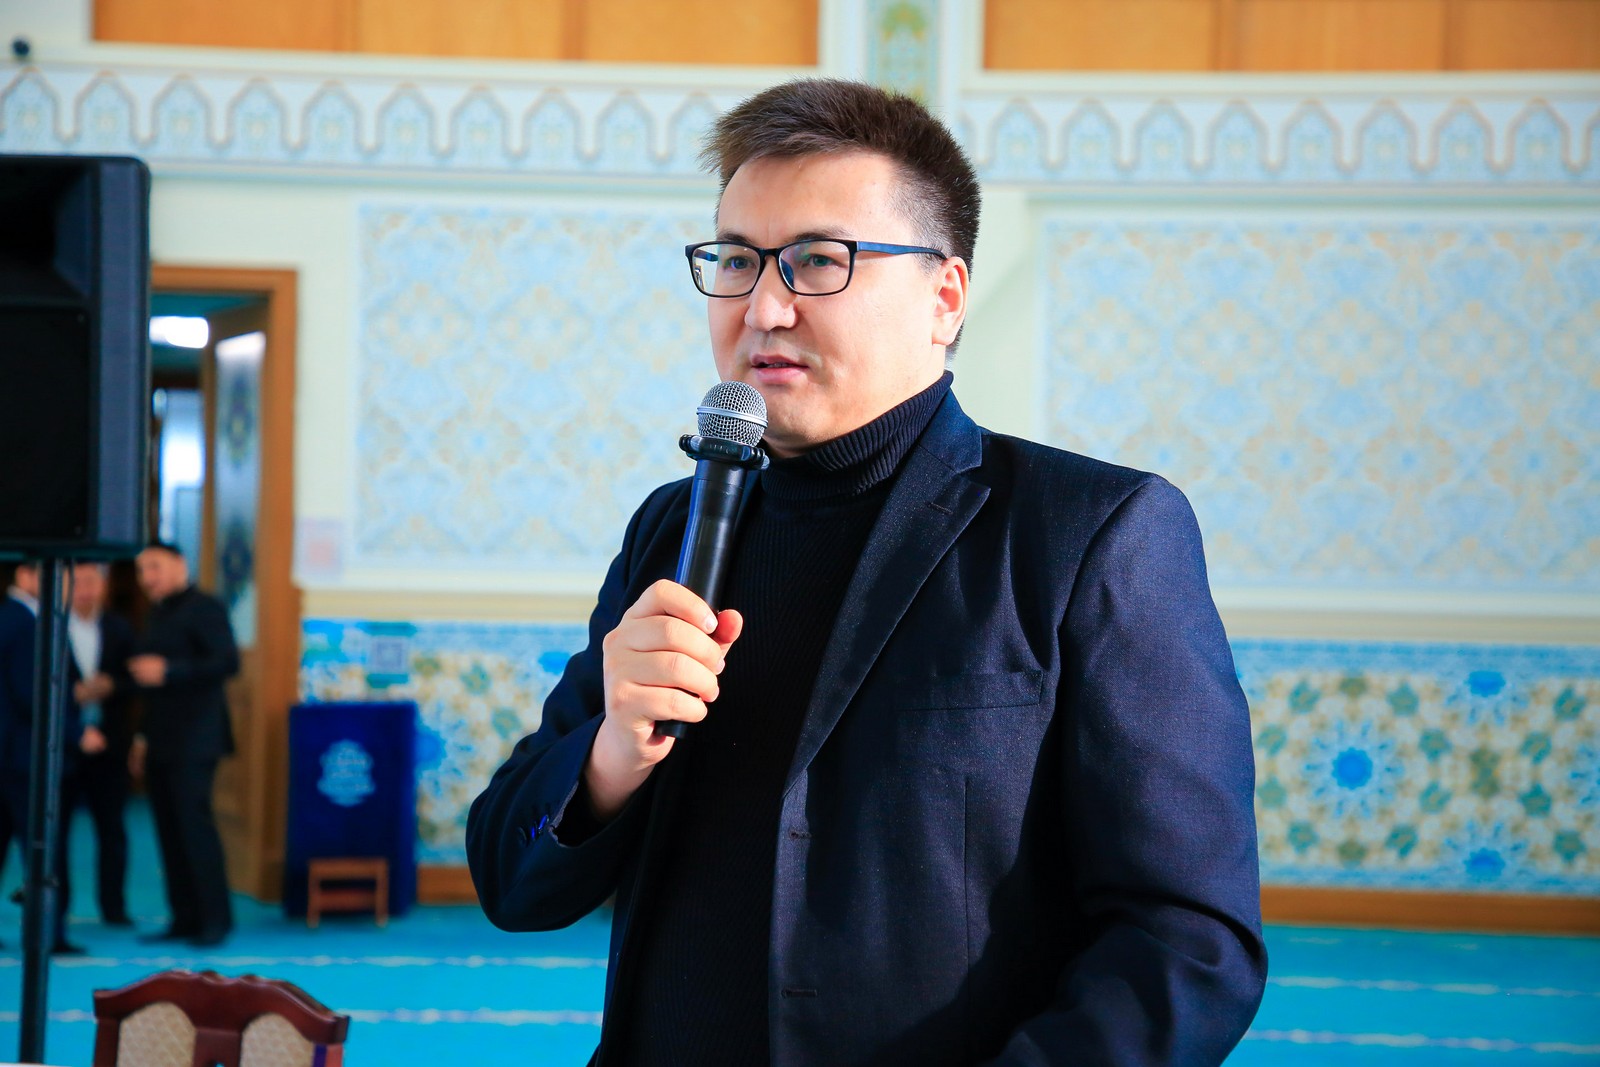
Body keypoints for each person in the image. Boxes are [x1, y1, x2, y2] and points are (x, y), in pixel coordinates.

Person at [468, 79, 1266, 1066]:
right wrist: (610, 755)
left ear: (944, 298)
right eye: (736, 260)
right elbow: (509, 878)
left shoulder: (1088, 532)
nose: (763, 306)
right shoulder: (672, 528)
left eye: (817, 260)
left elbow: (1187, 943)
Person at [130, 542, 239, 948]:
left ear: (180, 565)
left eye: (155, 567)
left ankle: (215, 920)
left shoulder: (205, 607)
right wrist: (141, 737)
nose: (147, 578)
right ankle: (184, 917)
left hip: (197, 739)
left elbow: (227, 662)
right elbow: (151, 686)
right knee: (169, 831)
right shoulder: (158, 613)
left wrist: (170, 670)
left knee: (194, 829)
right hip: (162, 738)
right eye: (142, 570)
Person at [0, 561, 104, 955]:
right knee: (43, 848)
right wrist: (76, 732)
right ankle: (48, 934)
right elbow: (34, 693)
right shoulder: (27, 624)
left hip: (9, 754)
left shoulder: (13, 618)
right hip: (26, 757)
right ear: (25, 576)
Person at [66, 562, 138, 927]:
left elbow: (135, 679)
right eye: (78, 582)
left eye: (92, 582)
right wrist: (71, 695)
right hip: (64, 745)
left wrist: (112, 686)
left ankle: (114, 907)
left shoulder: (119, 627)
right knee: (56, 831)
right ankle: (55, 909)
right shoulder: (47, 627)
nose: (85, 590)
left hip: (110, 743)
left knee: (112, 828)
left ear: (104, 586)